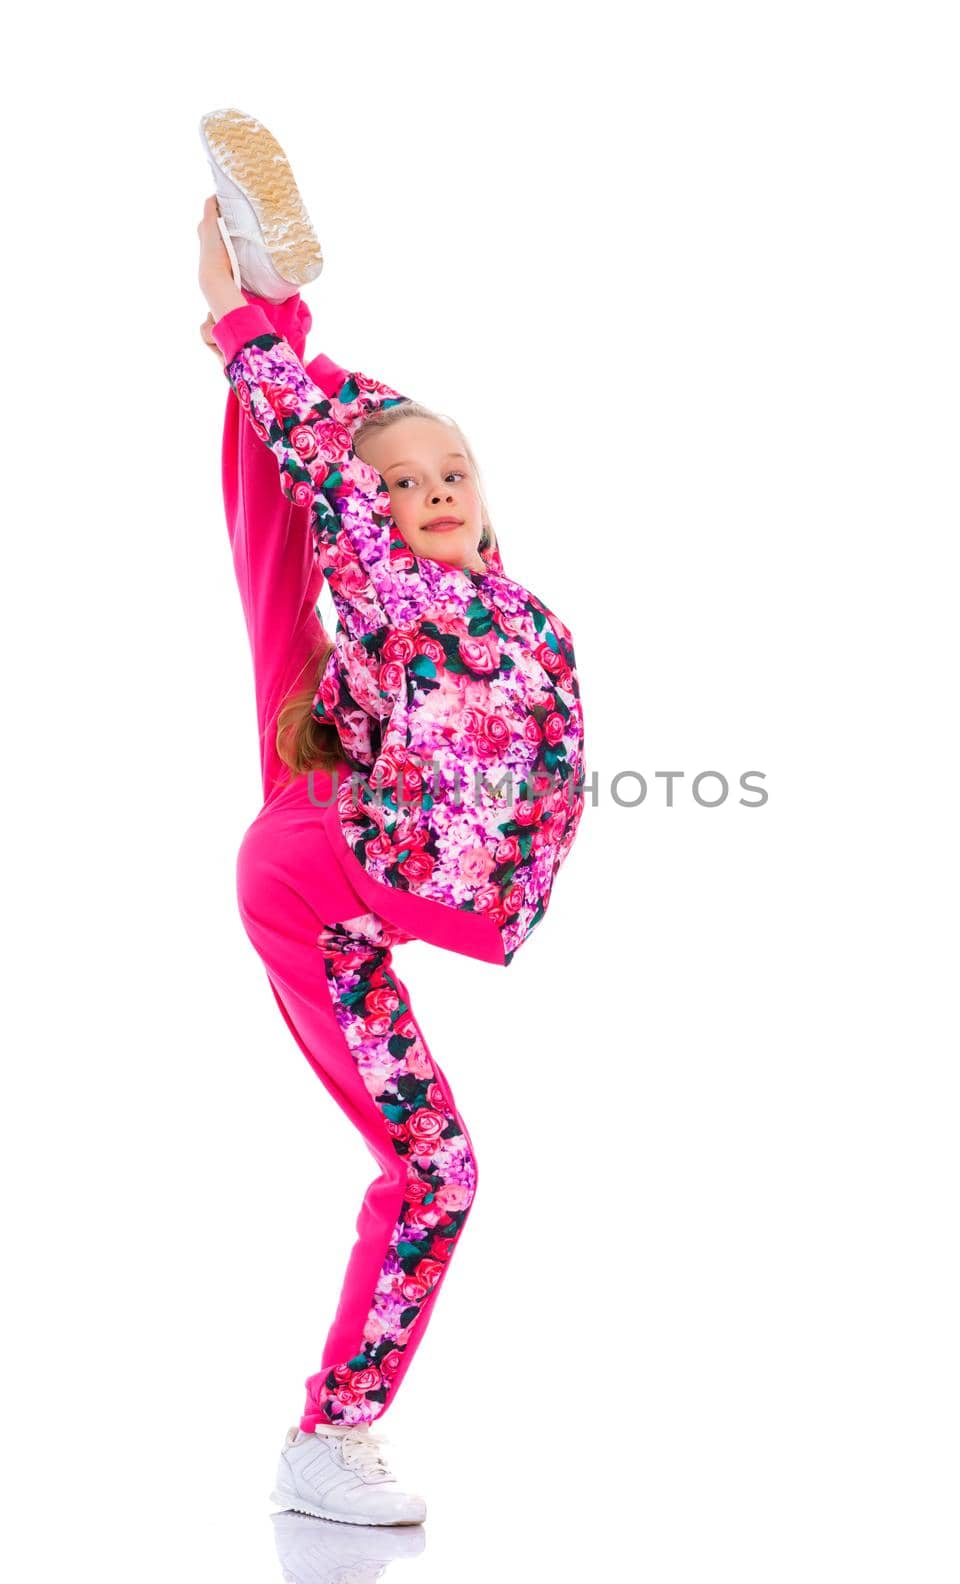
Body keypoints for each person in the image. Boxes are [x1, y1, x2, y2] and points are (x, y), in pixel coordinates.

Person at [196, 108, 587, 1527]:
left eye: (451, 477)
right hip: (324, 871)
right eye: (399, 484)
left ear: (489, 508)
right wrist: (253, 346)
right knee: (291, 500)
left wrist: (297, 358)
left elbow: (360, 458)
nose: (424, 491)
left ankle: (274, 292)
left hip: (365, 845)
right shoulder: (398, 585)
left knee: (440, 1172)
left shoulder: (514, 611)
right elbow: (325, 464)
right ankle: (327, 1439)